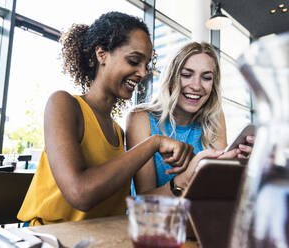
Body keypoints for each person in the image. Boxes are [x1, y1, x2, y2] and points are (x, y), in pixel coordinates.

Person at [17, 11, 195, 226]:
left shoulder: (118, 132)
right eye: (134, 61)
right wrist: (154, 143)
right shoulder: (63, 104)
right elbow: (80, 194)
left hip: (94, 238)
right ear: (101, 54)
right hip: (48, 238)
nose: (142, 73)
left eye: (145, 65)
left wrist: (179, 183)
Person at [126, 41, 255, 196]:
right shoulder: (140, 118)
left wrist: (241, 166)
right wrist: (189, 175)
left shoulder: (213, 117)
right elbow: (144, 200)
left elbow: (219, 189)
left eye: (206, 78)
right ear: (171, 79)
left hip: (196, 217)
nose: (196, 86)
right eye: (187, 75)